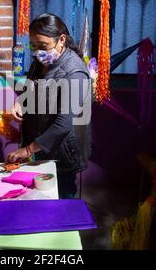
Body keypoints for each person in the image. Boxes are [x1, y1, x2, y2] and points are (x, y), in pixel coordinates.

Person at [6, 13, 92, 199]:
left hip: (62, 150)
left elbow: (63, 124)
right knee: (39, 196)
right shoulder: (41, 62)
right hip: (39, 143)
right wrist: (20, 102)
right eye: (33, 46)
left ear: (61, 40)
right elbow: (31, 89)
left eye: (43, 46)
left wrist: (28, 150)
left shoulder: (74, 72)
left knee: (61, 197)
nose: (37, 52)